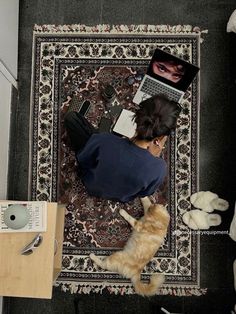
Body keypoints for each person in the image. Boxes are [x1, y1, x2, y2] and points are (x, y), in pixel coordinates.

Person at [64, 94, 181, 203]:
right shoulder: (159, 169)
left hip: (91, 185)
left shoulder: (104, 140)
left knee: (72, 118)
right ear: (160, 137)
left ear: (137, 118)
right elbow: (145, 193)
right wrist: (153, 158)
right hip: (121, 197)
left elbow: (83, 159)